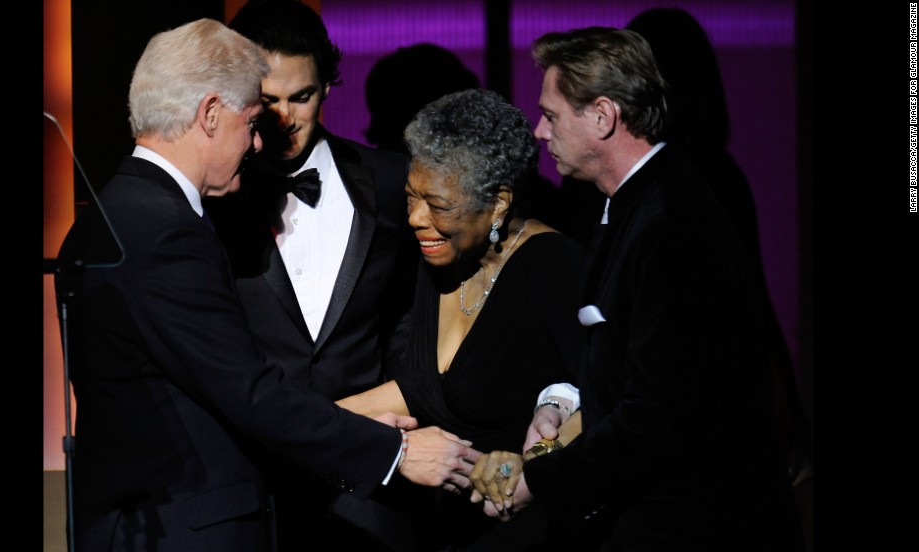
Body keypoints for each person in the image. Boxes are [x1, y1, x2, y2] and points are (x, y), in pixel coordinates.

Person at [53, 18, 479, 552]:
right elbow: (246, 390)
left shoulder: (111, 215)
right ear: (210, 113)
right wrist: (394, 451)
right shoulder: (164, 231)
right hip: (187, 525)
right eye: (252, 120)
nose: (259, 141)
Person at [469, 26, 804, 551]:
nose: (538, 130)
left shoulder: (671, 223)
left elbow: (660, 414)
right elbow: (625, 361)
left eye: (552, 115)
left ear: (602, 116)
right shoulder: (633, 202)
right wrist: (560, 407)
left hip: (697, 528)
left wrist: (538, 481)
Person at [203, 1, 421, 550]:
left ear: (328, 85)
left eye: (302, 97)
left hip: (369, 480)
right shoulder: (209, 199)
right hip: (253, 480)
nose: (285, 118)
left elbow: (411, 317)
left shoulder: (391, 180)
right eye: (267, 101)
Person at [337, 88, 585, 551]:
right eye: (411, 197)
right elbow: (424, 388)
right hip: (438, 530)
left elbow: (604, 400)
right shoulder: (443, 261)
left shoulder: (556, 267)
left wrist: (533, 466)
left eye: (438, 205)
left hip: (526, 532)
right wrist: (304, 426)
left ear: (498, 204)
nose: (415, 218)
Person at [625, 6, 813, 487]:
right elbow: (755, 302)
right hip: (715, 407)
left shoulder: (671, 182)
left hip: (683, 409)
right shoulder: (715, 173)